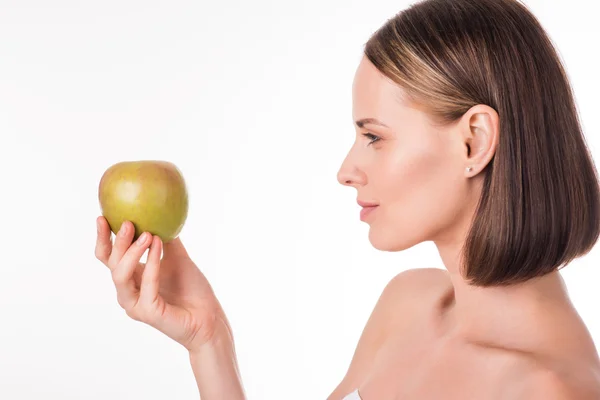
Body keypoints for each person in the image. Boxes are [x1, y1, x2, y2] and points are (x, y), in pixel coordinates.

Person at [94, 0, 600, 398]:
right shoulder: (409, 303)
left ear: (475, 142)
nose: (345, 171)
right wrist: (208, 340)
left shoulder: (551, 391)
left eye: (375, 137)